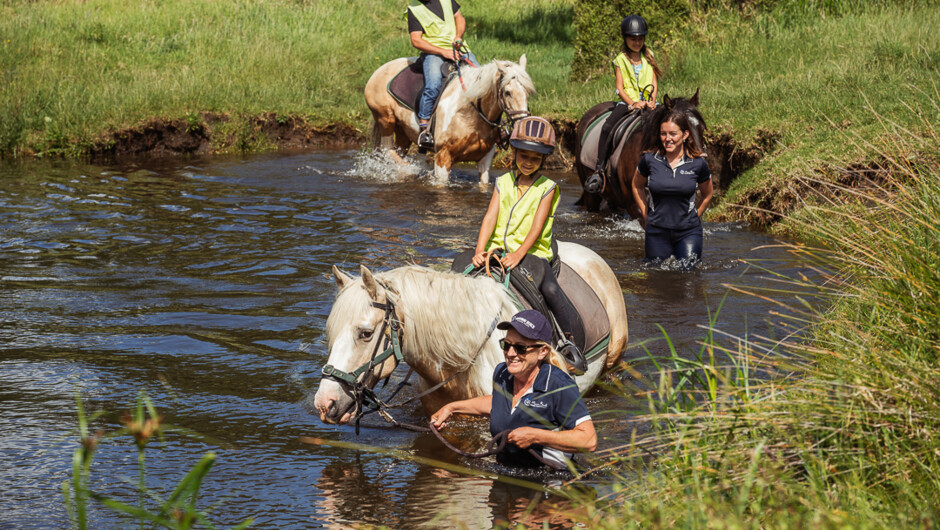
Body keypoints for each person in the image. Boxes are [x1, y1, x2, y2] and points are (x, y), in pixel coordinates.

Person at [451, 116, 586, 372]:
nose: (528, 162)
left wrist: (519, 254)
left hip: (532, 252)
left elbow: (537, 225)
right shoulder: (502, 182)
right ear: (514, 153)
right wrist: (480, 250)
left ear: (544, 159)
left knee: (551, 290)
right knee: (456, 271)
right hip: (495, 251)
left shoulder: (547, 187)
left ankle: (567, 341)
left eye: (535, 159)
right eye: (524, 156)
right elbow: (490, 216)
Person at [430, 310, 597, 468]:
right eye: (506, 344)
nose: (510, 353)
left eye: (520, 348)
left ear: (542, 351)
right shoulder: (502, 373)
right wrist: (452, 408)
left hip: (550, 481)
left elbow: (589, 440)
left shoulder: (558, 386)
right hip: (506, 471)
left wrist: (535, 436)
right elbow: (499, 403)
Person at [584, 14, 663, 194]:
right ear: (625, 39)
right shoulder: (620, 59)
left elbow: (654, 82)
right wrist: (633, 103)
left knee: (670, 125)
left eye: (640, 39)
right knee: (607, 128)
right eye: (632, 39)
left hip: (649, 103)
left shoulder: (649, 59)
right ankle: (600, 169)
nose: (636, 42)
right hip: (627, 102)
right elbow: (619, 87)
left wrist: (651, 102)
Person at [632, 110, 714, 265]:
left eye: (673, 134)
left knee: (688, 276)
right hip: (656, 231)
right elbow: (637, 185)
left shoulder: (698, 164)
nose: (667, 139)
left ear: (685, 135)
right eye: (663, 134)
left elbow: (708, 194)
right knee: (657, 277)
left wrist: (695, 216)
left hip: (688, 232)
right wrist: (645, 214)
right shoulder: (649, 160)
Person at [407, 0, 478, 150]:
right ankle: (425, 128)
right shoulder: (414, 9)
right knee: (433, 85)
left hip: (457, 49)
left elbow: (459, 18)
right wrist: (442, 51)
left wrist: (458, 36)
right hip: (433, 53)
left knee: (481, 79)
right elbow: (416, 40)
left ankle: (495, 125)